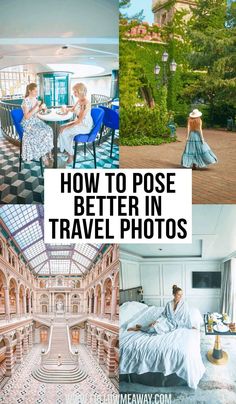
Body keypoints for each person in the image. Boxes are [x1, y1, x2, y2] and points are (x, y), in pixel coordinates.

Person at [128, 285, 195, 334]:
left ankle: (140, 327)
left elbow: (186, 316)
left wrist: (190, 326)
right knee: (152, 327)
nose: (181, 296)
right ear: (174, 294)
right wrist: (157, 321)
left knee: (151, 330)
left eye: (181, 294)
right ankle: (139, 328)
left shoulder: (184, 304)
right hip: (167, 322)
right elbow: (163, 315)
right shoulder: (169, 304)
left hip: (175, 324)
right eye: (178, 294)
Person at [58, 82, 93, 164]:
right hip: (78, 122)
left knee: (64, 132)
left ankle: (71, 154)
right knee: (61, 128)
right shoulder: (79, 101)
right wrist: (65, 108)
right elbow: (73, 109)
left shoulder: (86, 103)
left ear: (80, 91)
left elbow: (80, 120)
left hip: (84, 126)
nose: (73, 93)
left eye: (75, 91)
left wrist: (67, 126)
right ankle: (68, 150)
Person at [21, 83, 54, 166]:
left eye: (37, 91)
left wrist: (42, 108)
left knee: (49, 129)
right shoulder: (26, 101)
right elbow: (27, 116)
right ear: (29, 90)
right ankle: (44, 156)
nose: (37, 92)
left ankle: (48, 152)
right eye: (35, 91)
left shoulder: (35, 99)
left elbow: (36, 112)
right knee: (42, 132)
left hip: (36, 121)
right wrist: (36, 106)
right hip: (28, 123)